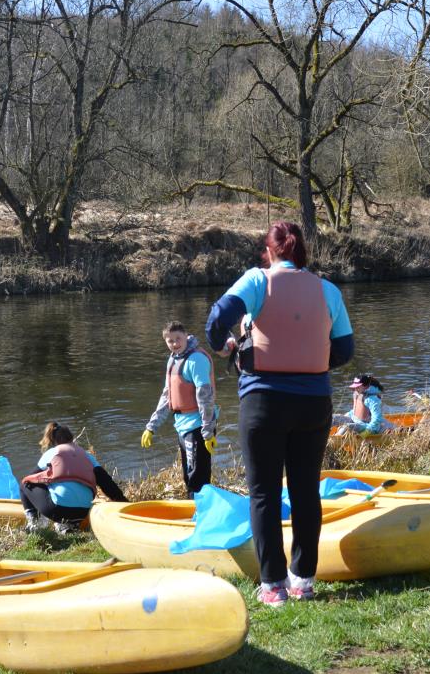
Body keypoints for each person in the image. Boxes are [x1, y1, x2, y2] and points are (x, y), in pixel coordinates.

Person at [206, 221, 353, 608]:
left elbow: (217, 318)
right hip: (313, 404)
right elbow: (344, 349)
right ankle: (303, 580)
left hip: (264, 403)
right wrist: (309, 361)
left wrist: (224, 346)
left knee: (264, 493)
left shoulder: (257, 281)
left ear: (269, 252)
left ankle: (273, 585)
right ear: (302, 252)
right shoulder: (328, 289)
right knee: (305, 490)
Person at [141, 321, 217, 497]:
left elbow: (205, 397)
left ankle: (201, 508)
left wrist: (208, 432)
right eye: (170, 340)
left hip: (198, 426)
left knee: (198, 478)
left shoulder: (196, 360)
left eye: (178, 338)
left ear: (186, 336)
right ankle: (192, 505)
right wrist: (151, 427)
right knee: (188, 475)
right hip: (182, 425)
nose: (175, 343)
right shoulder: (173, 359)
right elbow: (167, 395)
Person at [20, 421, 128, 531]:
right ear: (71, 438)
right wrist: (125, 503)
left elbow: (31, 477)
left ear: (53, 441)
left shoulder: (53, 452)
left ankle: (34, 524)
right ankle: (68, 526)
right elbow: (107, 483)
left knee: (25, 483)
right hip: (83, 512)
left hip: (57, 510)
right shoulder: (87, 456)